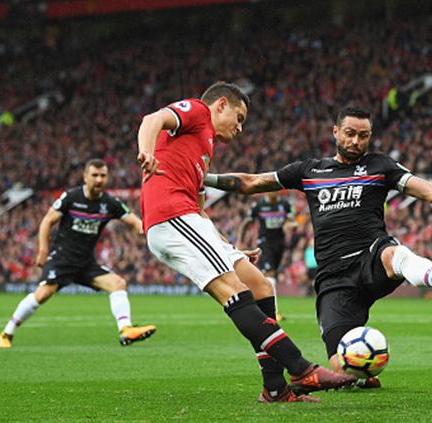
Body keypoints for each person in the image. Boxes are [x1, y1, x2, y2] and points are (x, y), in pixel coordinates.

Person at [204, 106, 432, 387]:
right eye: (349, 133)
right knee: (340, 367)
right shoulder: (309, 171)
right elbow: (250, 182)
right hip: (334, 279)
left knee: (394, 253)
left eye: (363, 135)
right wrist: (204, 177)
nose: (356, 141)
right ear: (335, 131)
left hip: (372, 257)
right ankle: (361, 371)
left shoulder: (380, 167)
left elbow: (430, 191)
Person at [136, 81, 356, 403]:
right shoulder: (197, 112)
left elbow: (200, 211)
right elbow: (151, 120)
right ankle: (300, 368)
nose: (239, 128)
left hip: (189, 219)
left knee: (260, 285)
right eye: (238, 118)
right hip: (170, 217)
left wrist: (229, 247)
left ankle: (275, 389)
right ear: (221, 104)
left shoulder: (204, 150)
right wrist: (146, 151)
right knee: (234, 291)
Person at [0, 159, 156, 348]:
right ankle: (6, 334)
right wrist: (43, 250)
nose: (98, 180)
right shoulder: (71, 197)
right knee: (43, 294)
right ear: (85, 177)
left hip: (86, 263)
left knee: (118, 283)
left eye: (103, 176)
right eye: (94, 175)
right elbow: (47, 221)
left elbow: (136, 223)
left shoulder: (110, 203)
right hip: (62, 258)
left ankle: (126, 329)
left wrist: (151, 229)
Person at [238, 192, 295, 320]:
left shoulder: (284, 204)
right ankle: (273, 312)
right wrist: (240, 240)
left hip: (280, 243)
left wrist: (292, 224)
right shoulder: (259, 205)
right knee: (269, 274)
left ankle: (261, 303)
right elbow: (247, 222)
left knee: (272, 274)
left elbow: (291, 220)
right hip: (265, 242)